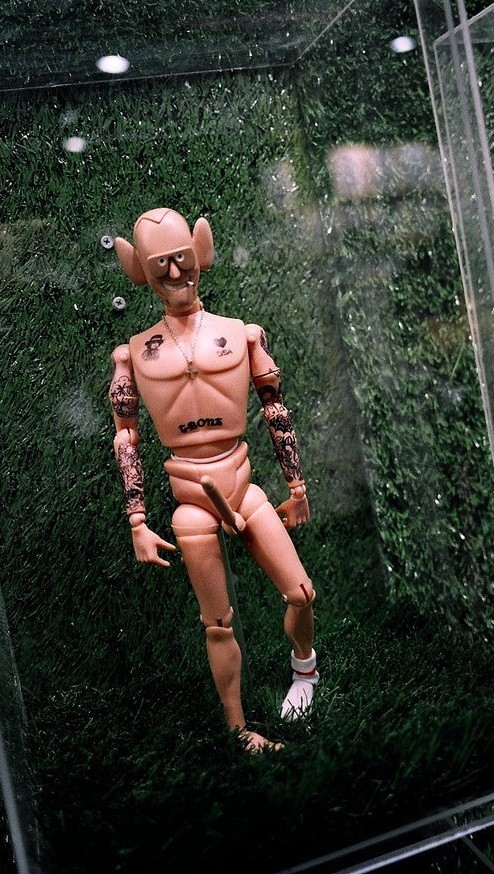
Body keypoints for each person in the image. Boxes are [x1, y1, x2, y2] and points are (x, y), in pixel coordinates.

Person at [108, 207, 318, 751]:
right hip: (191, 500)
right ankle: (238, 727)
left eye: (182, 259)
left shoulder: (241, 335)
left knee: (300, 593)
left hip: (243, 485)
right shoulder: (132, 354)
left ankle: (305, 670)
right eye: (161, 265)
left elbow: (275, 409)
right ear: (139, 271)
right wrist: (137, 520)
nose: (176, 273)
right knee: (218, 622)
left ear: (201, 253)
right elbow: (126, 436)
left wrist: (296, 488)